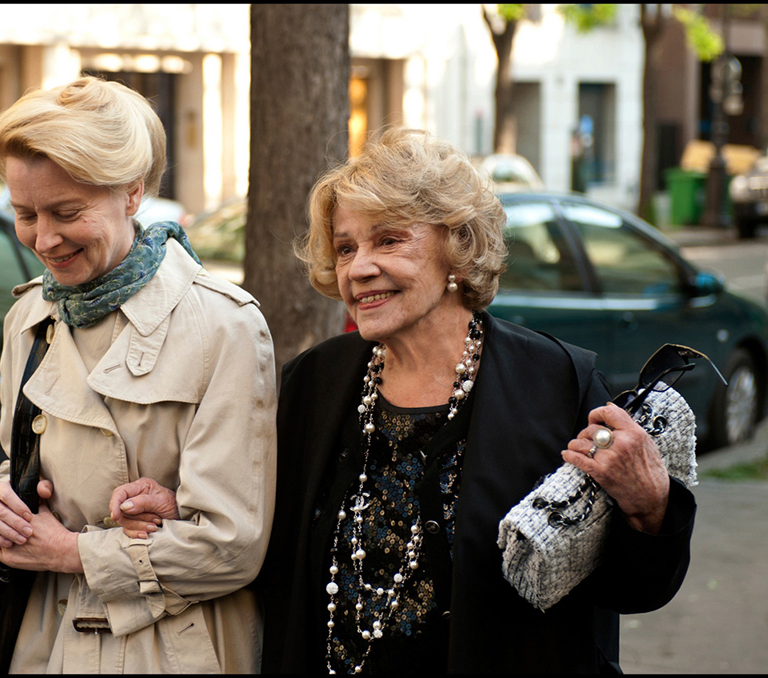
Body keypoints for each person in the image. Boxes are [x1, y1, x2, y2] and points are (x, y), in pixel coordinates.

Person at [260, 127, 696, 673]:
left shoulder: (556, 382)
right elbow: (264, 547)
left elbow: (630, 590)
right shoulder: (314, 383)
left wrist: (649, 506)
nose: (357, 267)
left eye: (388, 239)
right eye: (346, 248)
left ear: (456, 247)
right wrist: (179, 508)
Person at [0, 75, 276, 674]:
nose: (45, 238)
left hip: (171, 646)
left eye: (67, 212)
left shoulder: (223, 325)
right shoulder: (27, 317)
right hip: (41, 638)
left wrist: (73, 553)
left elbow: (233, 547)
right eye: (25, 213)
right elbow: (25, 468)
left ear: (132, 193)